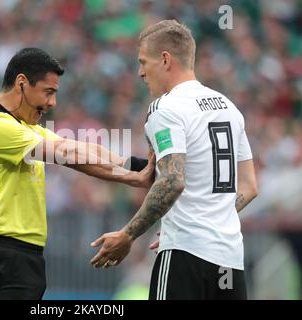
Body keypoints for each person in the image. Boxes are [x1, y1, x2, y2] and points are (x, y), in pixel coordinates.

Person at [0, 47, 154, 300]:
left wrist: (144, 166)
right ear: (21, 83)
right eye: (48, 92)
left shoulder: (24, 127)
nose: (52, 103)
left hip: (23, 256)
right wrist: (131, 179)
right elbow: (67, 154)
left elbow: (81, 147)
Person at [90, 20, 258, 300]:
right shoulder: (230, 108)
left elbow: (172, 180)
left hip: (186, 257)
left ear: (165, 59)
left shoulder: (166, 107)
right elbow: (250, 187)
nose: (141, 72)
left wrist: (128, 235)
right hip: (229, 261)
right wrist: (205, 218)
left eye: (143, 62)